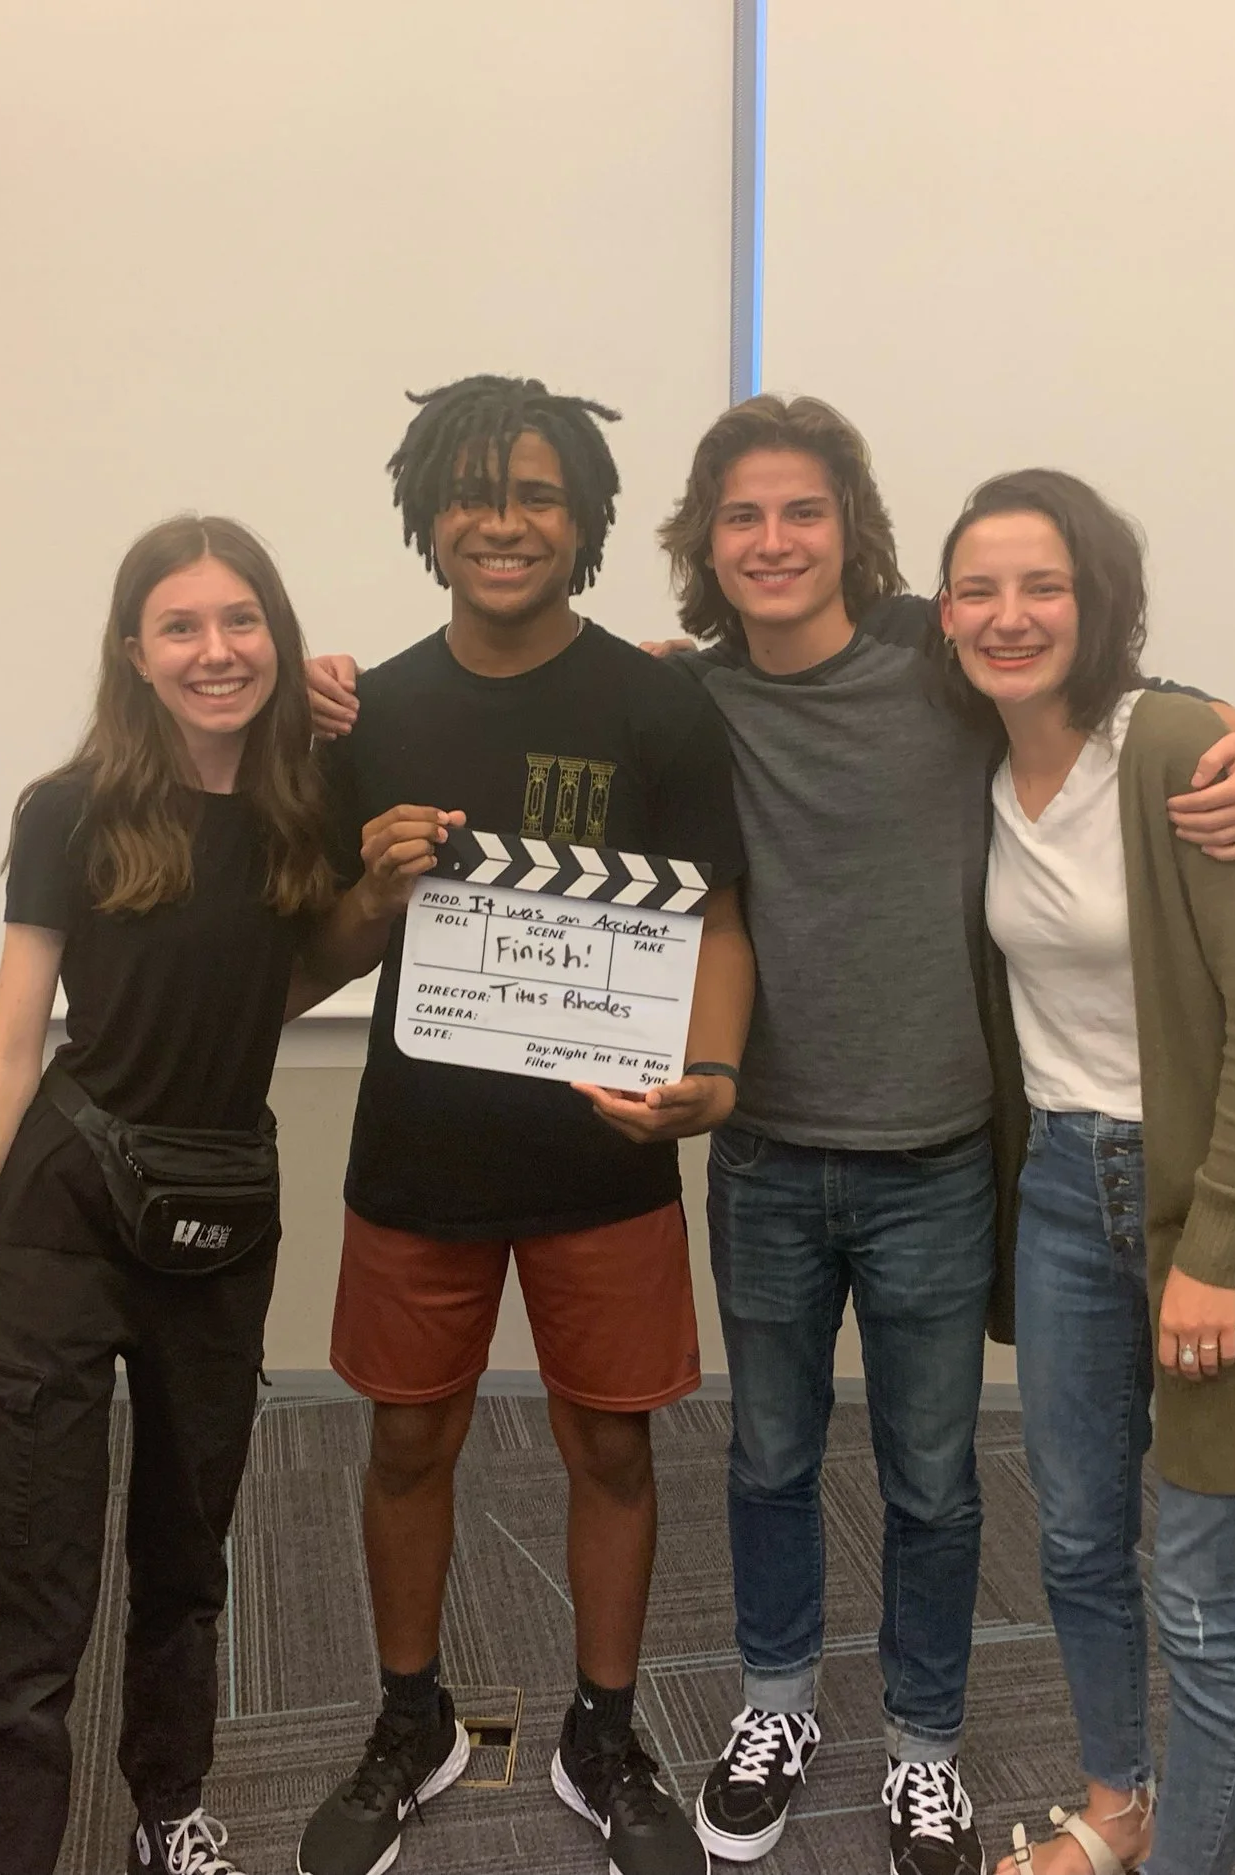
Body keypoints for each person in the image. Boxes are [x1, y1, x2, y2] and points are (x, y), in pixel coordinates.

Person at [313, 394, 1235, 1875]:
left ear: (854, 527)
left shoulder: (930, 666)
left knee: (933, 1475)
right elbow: (641, 891)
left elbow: (1086, 682)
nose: (773, 541)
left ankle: (921, 1743)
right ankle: (769, 1706)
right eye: (743, 517)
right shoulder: (685, 695)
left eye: (803, 512)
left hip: (931, 1154)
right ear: (700, 542)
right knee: (766, 1456)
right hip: (755, 1150)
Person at [293, 375, 754, 1875]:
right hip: (420, 1150)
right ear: (429, 514)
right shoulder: (379, 712)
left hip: (600, 1153)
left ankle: (602, 1727)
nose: (506, 520)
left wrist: (713, 1074)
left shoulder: (655, 701)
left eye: (540, 492)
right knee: (407, 1433)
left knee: (612, 1447)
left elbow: (721, 918)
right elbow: (317, 955)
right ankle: (410, 1715)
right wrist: (369, 883)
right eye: (478, 493)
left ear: (588, 517)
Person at [0, 515, 350, 1875]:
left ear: (276, 632)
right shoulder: (70, 807)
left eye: (243, 620)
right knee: (31, 1591)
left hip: (220, 1221)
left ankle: (173, 1809)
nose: (216, 650)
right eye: (182, 625)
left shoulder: (310, 799)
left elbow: (464, 718)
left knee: (185, 1555)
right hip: (63, 1215)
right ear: (134, 650)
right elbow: (8, 1050)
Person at [935, 470, 1235, 1875]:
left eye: (1042, 584)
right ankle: (1118, 1807)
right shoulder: (970, 756)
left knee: (1207, 1598)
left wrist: (1217, 1245)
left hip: (1217, 1208)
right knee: (1079, 1544)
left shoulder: (1172, 744)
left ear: (1097, 597)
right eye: (977, 588)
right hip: (1059, 1191)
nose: (1008, 615)